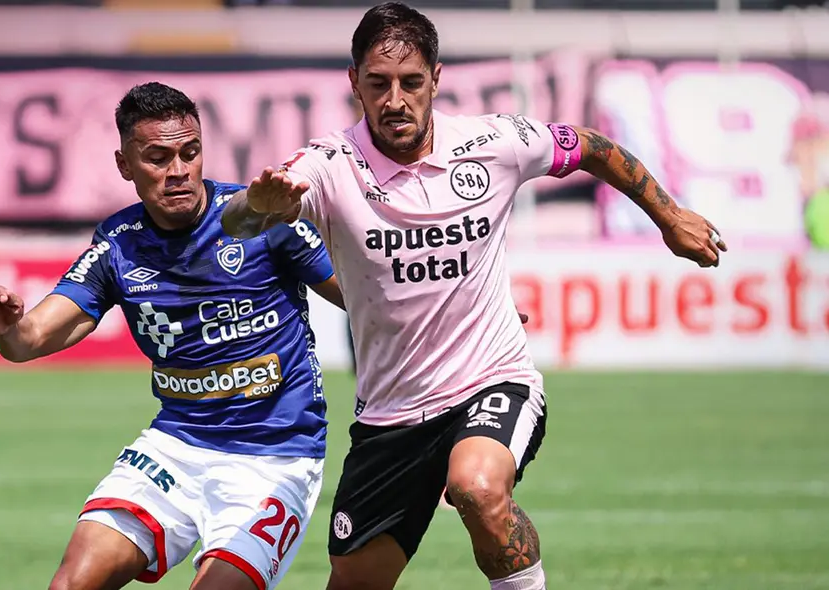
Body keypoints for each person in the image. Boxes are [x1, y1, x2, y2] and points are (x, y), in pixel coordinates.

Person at [220, 3, 728, 590]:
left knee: (478, 488)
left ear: (436, 79)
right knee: (355, 580)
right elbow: (239, 221)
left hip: (492, 380)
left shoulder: (495, 142)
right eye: (378, 83)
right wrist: (259, 206)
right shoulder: (329, 164)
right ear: (354, 82)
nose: (395, 100)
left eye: (411, 82)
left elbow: (589, 145)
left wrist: (669, 216)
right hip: (391, 415)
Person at [0, 82, 345, 590]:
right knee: (70, 585)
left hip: (275, 457)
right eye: (158, 158)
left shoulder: (261, 216)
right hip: (175, 448)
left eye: (190, 153)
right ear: (125, 164)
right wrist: (9, 328)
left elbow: (364, 300)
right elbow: (28, 341)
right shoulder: (118, 244)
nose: (178, 171)